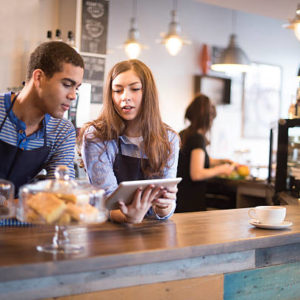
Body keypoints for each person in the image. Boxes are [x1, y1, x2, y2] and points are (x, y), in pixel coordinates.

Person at [79, 59, 179, 224]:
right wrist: (128, 217)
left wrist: (164, 207)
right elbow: (106, 204)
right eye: (117, 90)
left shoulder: (169, 139)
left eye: (135, 89)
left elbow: (166, 211)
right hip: (106, 231)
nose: (125, 97)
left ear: (148, 93)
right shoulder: (96, 136)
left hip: (151, 233)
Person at [0, 41, 84, 196]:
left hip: (23, 218)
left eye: (76, 88)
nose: (73, 96)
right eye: (67, 84)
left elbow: (61, 194)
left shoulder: (62, 131)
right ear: (38, 77)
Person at [176, 94, 235, 213]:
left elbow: (194, 160)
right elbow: (196, 173)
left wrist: (221, 161)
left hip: (180, 199)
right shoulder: (197, 138)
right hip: (190, 203)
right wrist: (222, 169)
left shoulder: (184, 134)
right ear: (208, 119)